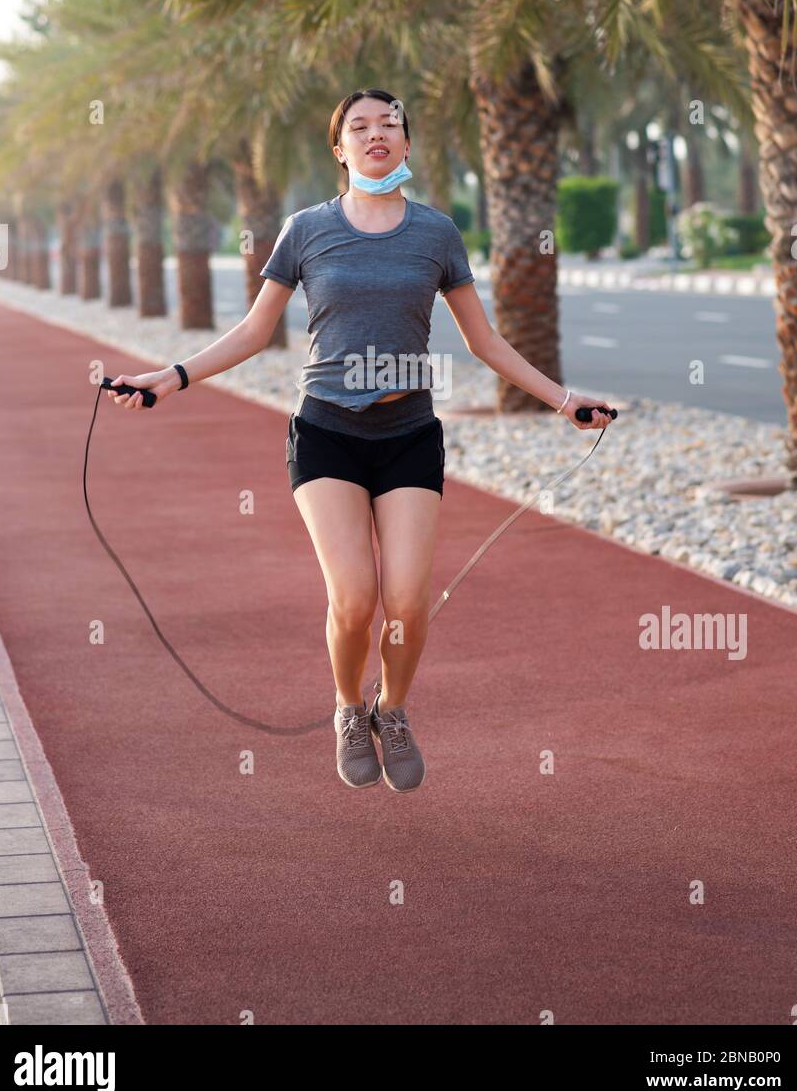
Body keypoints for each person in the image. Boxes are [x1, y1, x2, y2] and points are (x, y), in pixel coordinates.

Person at [106, 87, 614, 793]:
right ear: (339, 149)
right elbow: (256, 331)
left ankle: (392, 709)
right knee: (354, 598)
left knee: (406, 602)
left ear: (406, 144)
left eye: (390, 124)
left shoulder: (436, 233)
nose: (376, 133)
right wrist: (172, 375)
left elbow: (484, 340)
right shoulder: (307, 229)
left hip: (408, 435)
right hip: (327, 434)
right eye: (359, 126)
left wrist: (564, 400)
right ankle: (349, 709)